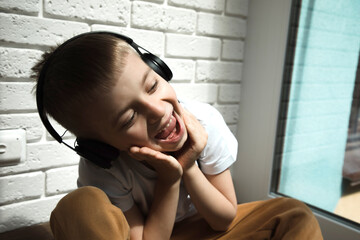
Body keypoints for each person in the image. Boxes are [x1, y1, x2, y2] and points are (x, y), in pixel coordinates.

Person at [32, 31, 323, 240]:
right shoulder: (103, 168)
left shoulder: (203, 121)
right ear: (100, 147)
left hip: (202, 230)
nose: (158, 111)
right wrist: (169, 179)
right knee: (81, 205)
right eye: (130, 117)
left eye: (152, 86)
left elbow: (223, 220)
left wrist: (188, 164)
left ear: (158, 69)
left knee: (292, 213)